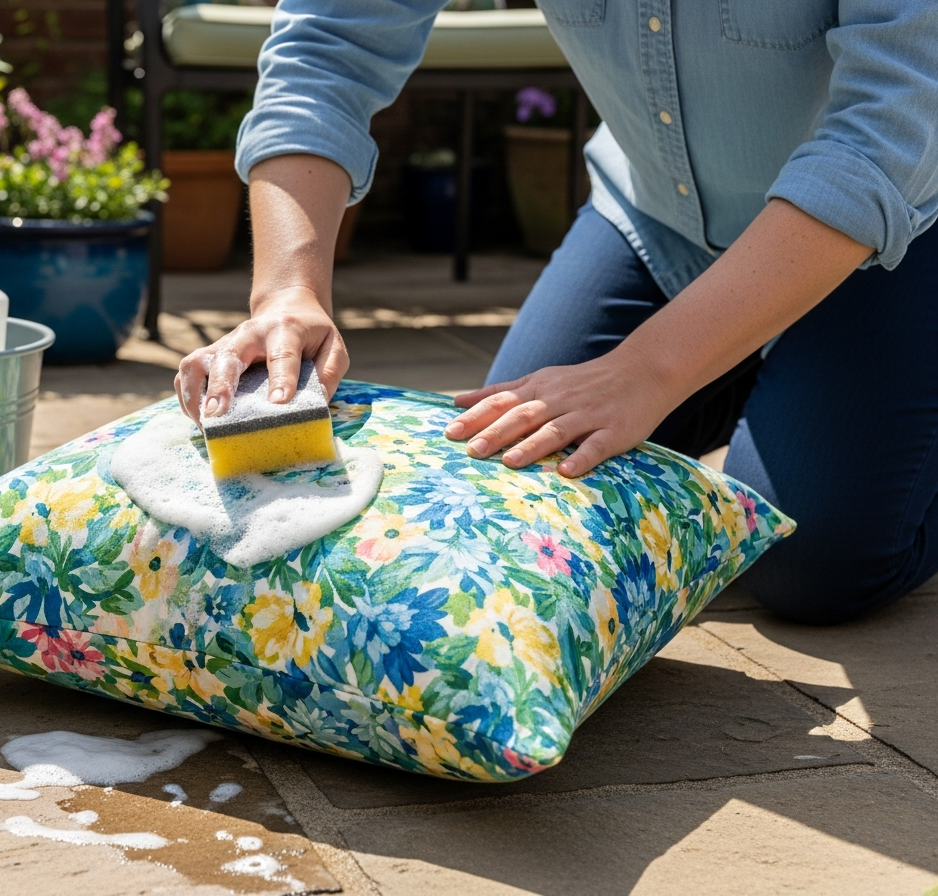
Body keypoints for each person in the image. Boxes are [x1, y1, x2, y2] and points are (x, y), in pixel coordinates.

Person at [173, 0, 938, 625]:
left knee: (810, 563)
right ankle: (764, 374)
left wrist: (648, 370)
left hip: (907, 228)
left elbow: (887, 133)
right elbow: (330, 45)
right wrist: (287, 290)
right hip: (658, 219)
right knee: (519, 497)